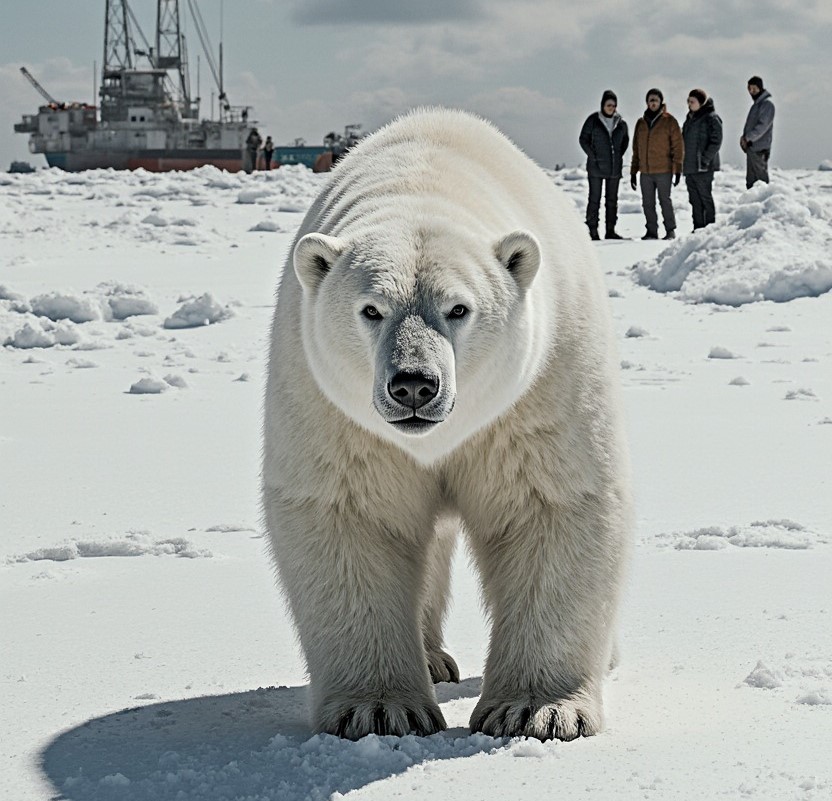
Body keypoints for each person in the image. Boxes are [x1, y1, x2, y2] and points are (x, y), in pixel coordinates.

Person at [630, 89, 684, 240]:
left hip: (663, 170)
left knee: (664, 201)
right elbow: (636, 148)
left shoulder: (669, 121)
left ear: (661, 102)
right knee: (647, 203)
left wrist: (677, 169)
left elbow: (678, 147)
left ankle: (670, 230)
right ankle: (651, 231)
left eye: (656, 100)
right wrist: (634, 171)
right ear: (647, 102)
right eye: (650, 100)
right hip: (645, 172)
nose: (653, 102)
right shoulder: (641, 123)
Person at [579, 90, 630, 240]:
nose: (611, 108)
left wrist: (618, 156)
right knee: (594, 199)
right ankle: (593, 230)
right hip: (596, 168)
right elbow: (583, 139)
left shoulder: (621, 123)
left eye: (613, 105)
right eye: (608, 105)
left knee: (612, 201)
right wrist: (593, 155)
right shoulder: (593, 120)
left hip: (614, 168)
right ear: (603, 105)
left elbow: (625, 142)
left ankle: (610, 230)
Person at [682, 89, 723, 230]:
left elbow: (716, 141)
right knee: (694, 200)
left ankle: (709, 229)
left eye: (692, 101)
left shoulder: (711, 118)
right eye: (688, 101)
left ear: (701, 102)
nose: (689, 104)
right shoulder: (689, 119)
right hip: (690, 167)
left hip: (703, 167)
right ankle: (698, 228)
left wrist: (705, 159)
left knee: (705, 198)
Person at [741, 76, 775, 189]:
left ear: (760, 88)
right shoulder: (755, 106)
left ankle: (764, 205)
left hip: (760, 149)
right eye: (750, 89)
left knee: (761, 182)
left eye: (754, 89)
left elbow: (762, 126)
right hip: (752, 148)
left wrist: (748, 138)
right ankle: (752, 205)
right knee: (751, 182)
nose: (752, 92)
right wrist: (744, 138)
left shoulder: (767, 105)